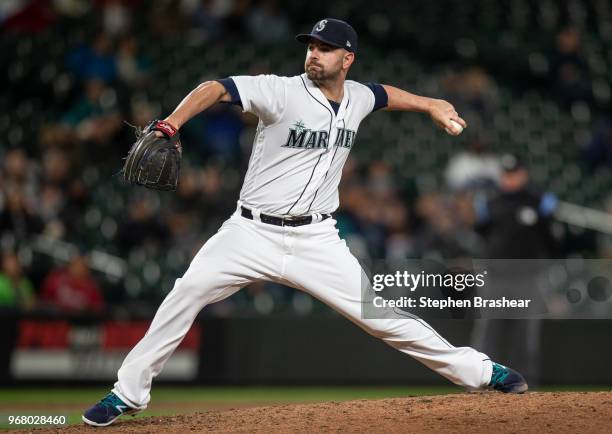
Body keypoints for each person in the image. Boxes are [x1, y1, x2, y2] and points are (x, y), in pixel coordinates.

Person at [83, 18, 527, 427]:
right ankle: (127, 393)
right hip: (249, 232)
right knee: (186, 293)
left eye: (326, 48)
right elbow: (215, 87)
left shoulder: (357, 97)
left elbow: (385, 94)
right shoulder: (281, 91)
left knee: (380, 317)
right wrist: (170, 124)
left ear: (347, 58)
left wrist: (430, 103)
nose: (314, 54)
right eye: (312, 46)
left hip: (317, 239)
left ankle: (483, 371)